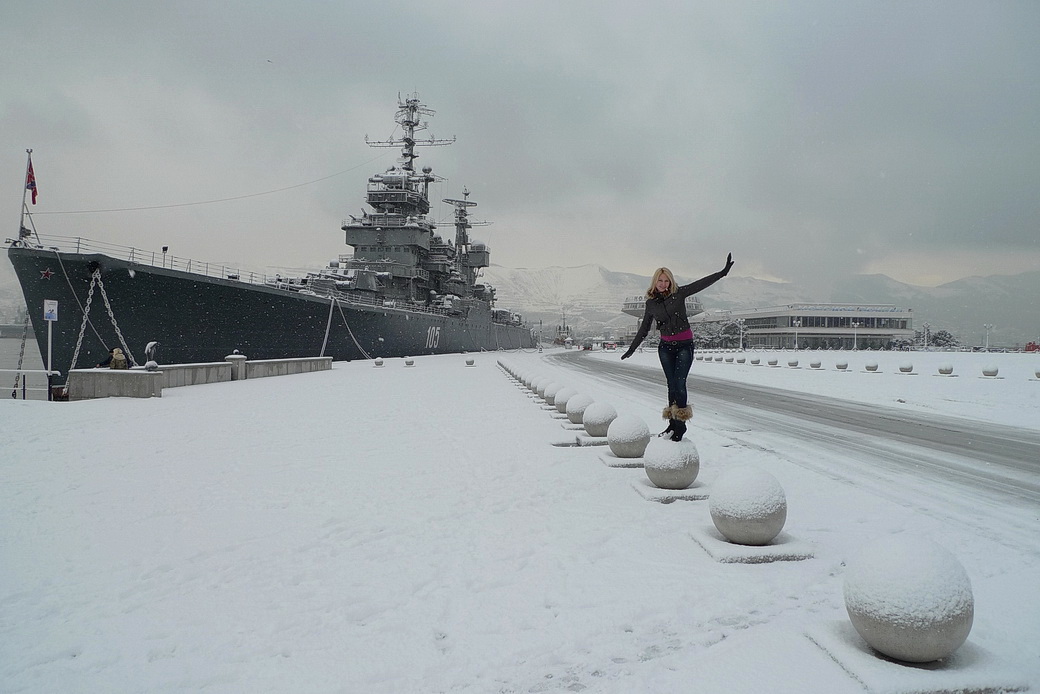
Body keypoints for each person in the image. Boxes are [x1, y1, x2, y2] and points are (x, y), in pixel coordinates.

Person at [621, 254, 734, 441]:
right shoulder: (650, 304)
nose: (664, 284)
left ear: (670, 282)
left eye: (667, 281)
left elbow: (700, 284)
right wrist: (632, 349)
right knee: (671, 385)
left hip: (684, 346)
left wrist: (722, 273)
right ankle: (672, 425)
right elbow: (644, 328)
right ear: (655, 282)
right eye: (660, 280)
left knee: (680, 384)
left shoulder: (679, 293)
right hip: (665, 347)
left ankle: (680, 427)